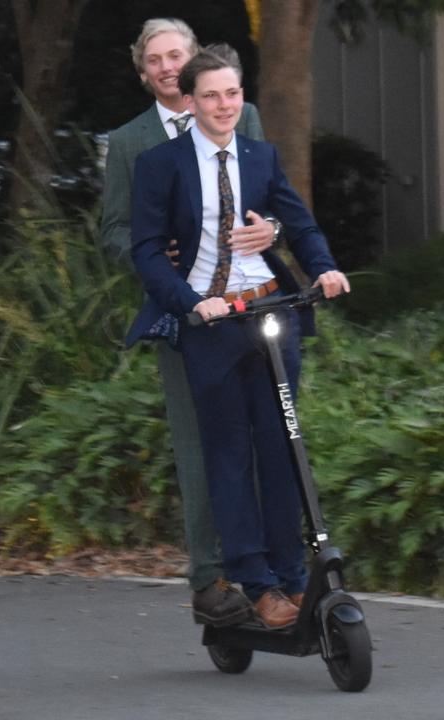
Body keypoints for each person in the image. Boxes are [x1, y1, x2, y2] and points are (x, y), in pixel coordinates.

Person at [127, 46, 350, 628]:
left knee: (281, 447)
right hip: (211, 322)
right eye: (210, 96)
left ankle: (294, 579)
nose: (223, 105)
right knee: (229, 455)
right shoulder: (161, 164)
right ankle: (256, 582)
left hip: (268, 309)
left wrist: (323, 267)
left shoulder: (259, 155)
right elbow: (146, 251)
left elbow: (295, 221)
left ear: (241, 97)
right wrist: (190, 302)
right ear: (191, 102)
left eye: (231, 93)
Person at [101, 18, 277, 627]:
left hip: (252, 306)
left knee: (269, 435)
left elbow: (271, 195)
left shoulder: (239, 114)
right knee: (201, 444)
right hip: (182, 315)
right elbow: (114, 231)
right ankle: (210, 579)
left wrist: (273, 228)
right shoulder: (130, 143)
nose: (168, 65)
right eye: (155, 59)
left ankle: (272, 572)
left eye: (177, 54)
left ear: (195, 57)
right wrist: (153, 256)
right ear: (143, 71)